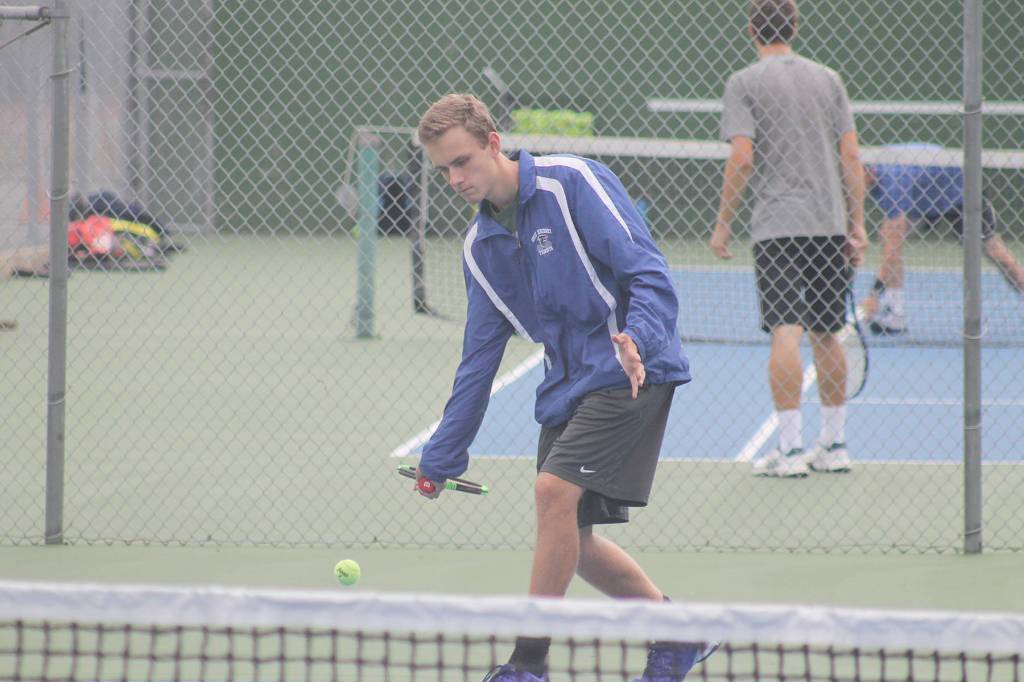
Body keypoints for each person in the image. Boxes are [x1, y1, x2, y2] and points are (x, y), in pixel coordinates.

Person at [414, 94, 715, 682]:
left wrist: (639, 341)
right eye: (444, 169)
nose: (455, 179)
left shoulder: (571, 181)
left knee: (553, 495)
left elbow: (647, 270)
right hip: (568, 383)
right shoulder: (481, 250)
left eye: (464, 161)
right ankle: (678, 634)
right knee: (573, 541)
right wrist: (444, 454)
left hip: (632, 369)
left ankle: (528, 665)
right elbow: (478, 360)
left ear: (494, 144)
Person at [710, 0, 868, 477]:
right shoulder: (829, 79)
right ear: (794, 27)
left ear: (751, 29)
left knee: (785, 329)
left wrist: (722, 224)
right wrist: (856, 222)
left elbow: (741, 158)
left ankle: (792, 451)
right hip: (829, 225)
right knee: (826, 330)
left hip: (778, 227)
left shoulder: (744, 82)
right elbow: (851, 155)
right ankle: (835, 444)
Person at [860, 143, 1024, 334]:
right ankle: (896, 313)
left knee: (993, 250)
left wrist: (873, 295)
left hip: (960, 195)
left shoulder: (893, 180)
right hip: (924, 195)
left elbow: (892, 251)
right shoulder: (876, 172)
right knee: (888, 238)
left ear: (866, 171)